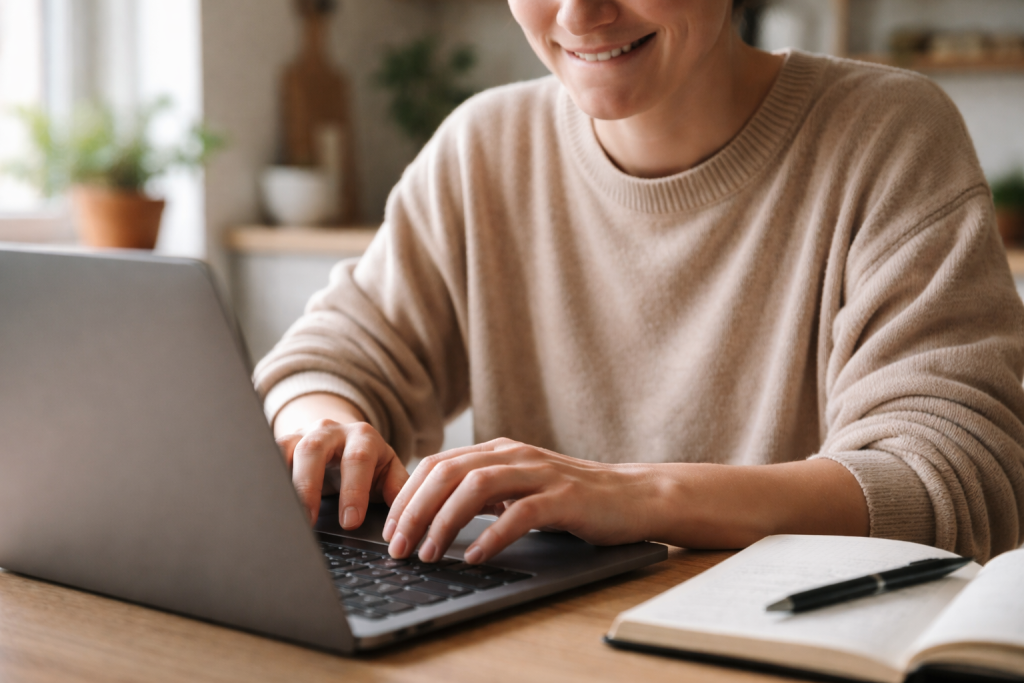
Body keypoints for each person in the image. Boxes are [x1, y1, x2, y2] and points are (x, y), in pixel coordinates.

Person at [254, 0, 1024, 567]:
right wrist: (326, 427)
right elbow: (327, 361)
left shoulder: (887, 136)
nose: (581, 13)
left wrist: (639, 496)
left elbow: (952, 477)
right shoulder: (483, 146)